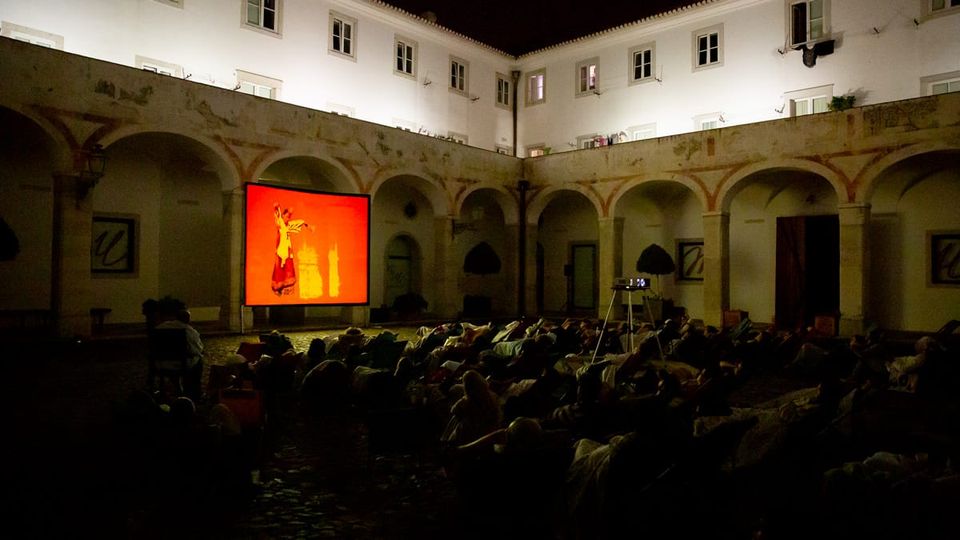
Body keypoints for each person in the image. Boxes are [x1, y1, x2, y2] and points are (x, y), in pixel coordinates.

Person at [155, 308, 204, 400]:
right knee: (199, 360)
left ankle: (176, 386)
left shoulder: (160, 327)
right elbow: (197, 349)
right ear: (188, 319)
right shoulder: (189, 331)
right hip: (181, 364)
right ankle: (194, 391)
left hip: (161, 363)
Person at [271, 203, 308, 296]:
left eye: (289, 217)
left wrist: (307, 226)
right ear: (283, 216)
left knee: (288, 270)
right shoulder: (281, 224)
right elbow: (278, 216)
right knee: (279, 270)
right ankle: (278, 289)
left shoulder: (288, 226)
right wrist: (277, 207)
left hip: (287, 250)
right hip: (280, 251)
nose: (288, 218)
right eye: (287, 216)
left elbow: (299, 222)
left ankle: (285, 290)